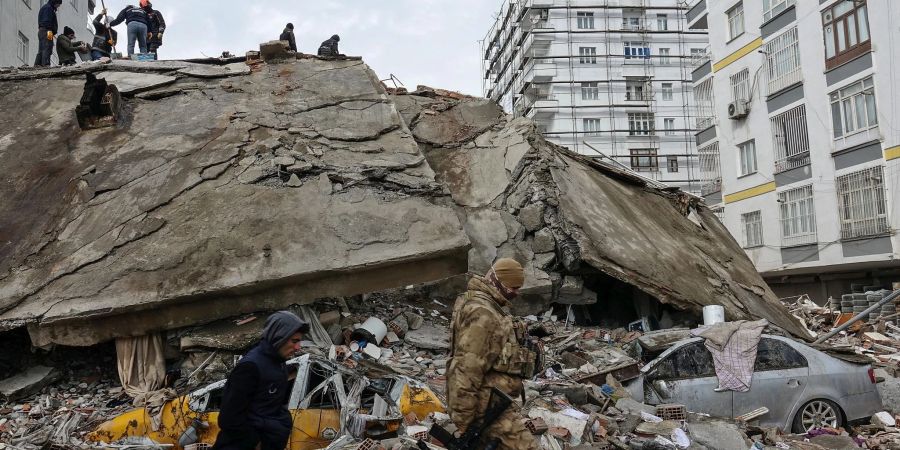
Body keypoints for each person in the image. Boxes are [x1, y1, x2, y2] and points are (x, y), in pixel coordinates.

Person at [446, 258, 540, 450]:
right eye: (513, 287)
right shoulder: (484, 313)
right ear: (498, 281)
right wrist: (464, 420)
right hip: (485, 408)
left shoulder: (479, 302)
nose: (516, 292)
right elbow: (466, 368)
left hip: (491, 403)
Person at [212, 311, 310, 450]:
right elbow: (229, 418)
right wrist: (255, 443)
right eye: (294, 341)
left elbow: (271, 406)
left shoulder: (279, 364)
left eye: (299, 341)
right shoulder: (250, 367)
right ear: (278, 337)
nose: (298, 347)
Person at [35, 0, 62, 67]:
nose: (59, 6)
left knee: (42, 48)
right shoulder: (48, 8)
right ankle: (46, 64)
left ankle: (38, 64)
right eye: (59, 4)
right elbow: (47, 21)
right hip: (48, 31)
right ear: (55, 2)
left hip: (44, 30)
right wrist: (52, 30)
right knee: (47, 47)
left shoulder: (47, 7)